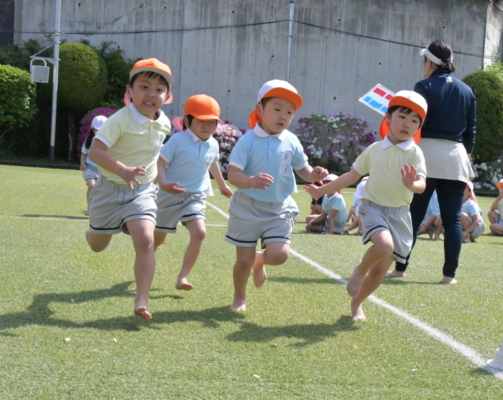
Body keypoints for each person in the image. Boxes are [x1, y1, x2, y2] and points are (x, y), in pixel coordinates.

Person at [305, 90, 427, 321]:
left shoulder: (415, 152)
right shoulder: (374, 149)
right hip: (374, 208)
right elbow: (351, 176)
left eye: (414, 121)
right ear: (388, 118)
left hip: (400, 215)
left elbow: (421, 184)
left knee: (380, 270)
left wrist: (413, 184)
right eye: (402, 116)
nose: (407, 124)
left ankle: (357, 303)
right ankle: (360, 270)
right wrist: (321, 191)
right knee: (384, 247)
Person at [225, 79, 328, 311]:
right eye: (277, 109)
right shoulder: (247, 141)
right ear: (260, 109)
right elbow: (233, 175)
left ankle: (260, 259)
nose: (283, 116)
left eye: (289, 112)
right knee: (243, 260)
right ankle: (240, 297)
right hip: (247, 207)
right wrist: (250, 181)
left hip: (279, 206)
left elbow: (303, 169)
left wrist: (314, 174)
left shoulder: (291, 140)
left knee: (280, 255)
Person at [86, 58, 174, 321]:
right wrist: (122, 169)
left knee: (146, 238)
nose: (151, 94)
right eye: (144, 86)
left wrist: (159, 180)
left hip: (141, 191)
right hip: (109, 191)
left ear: (167, 96)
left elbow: (154, 155)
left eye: (159, 89)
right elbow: (95, 151)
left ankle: (142, 300)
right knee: (97, 246)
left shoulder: (164, 123)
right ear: (129, 91)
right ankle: (93, 231)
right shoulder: (119, 120)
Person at [388, 40, 476, 285]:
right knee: (453, 218)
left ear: (429, 61)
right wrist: (463, 156)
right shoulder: (466, 90)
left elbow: (414, 122)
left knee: (414, 215)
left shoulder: (423, 86)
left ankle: (400, 268)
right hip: (456, 157)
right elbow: (471, 131)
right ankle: (449, 276)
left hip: (425, 154)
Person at [153, 95, 233, 291]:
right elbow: (160, 162)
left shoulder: (213, 143)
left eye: (212, 122)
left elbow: (213, 163)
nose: (207, 126)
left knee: (199, 233)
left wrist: (222, 185)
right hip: (169, 195)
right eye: (201, 121)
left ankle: (182, 277)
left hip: (195, 196)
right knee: (157, 239)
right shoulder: (178, 140)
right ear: (187, 121)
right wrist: (163, 184)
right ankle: (144, 262)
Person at [80, 115, 107, 216]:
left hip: (103, 171)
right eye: (96, 130)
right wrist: (82, 163)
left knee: (102, 191)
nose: (98, 132)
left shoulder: (109, 142)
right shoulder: (89, 141)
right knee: (92, 186)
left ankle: (100, 209)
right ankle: (89, 208)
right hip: (90, 169)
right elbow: (84, 153)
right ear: (93, 129)